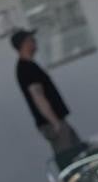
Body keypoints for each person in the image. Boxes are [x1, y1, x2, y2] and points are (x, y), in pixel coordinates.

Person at [12, 28, 82, 156]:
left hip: (57, 121)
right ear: (24, 44)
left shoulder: (29, 66)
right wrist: (54, 122)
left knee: (77, 151)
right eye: (31, 40)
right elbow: (38, 96)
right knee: (69, 156)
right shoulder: (26, 68)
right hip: (53, 123)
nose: (34, 42)